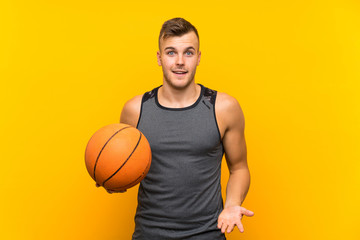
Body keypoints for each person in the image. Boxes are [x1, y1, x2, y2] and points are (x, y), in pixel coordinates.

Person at [99, 17, 254, 239]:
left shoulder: (224, 108)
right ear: (159, 58)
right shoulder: (135, 110)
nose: (180, 61)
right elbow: (123, 162)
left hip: (208, 233)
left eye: (188, 52)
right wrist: (110, 176)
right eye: (171, 52)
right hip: (150, 233)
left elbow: (239, 168)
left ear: (198, 58)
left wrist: (232, 205)